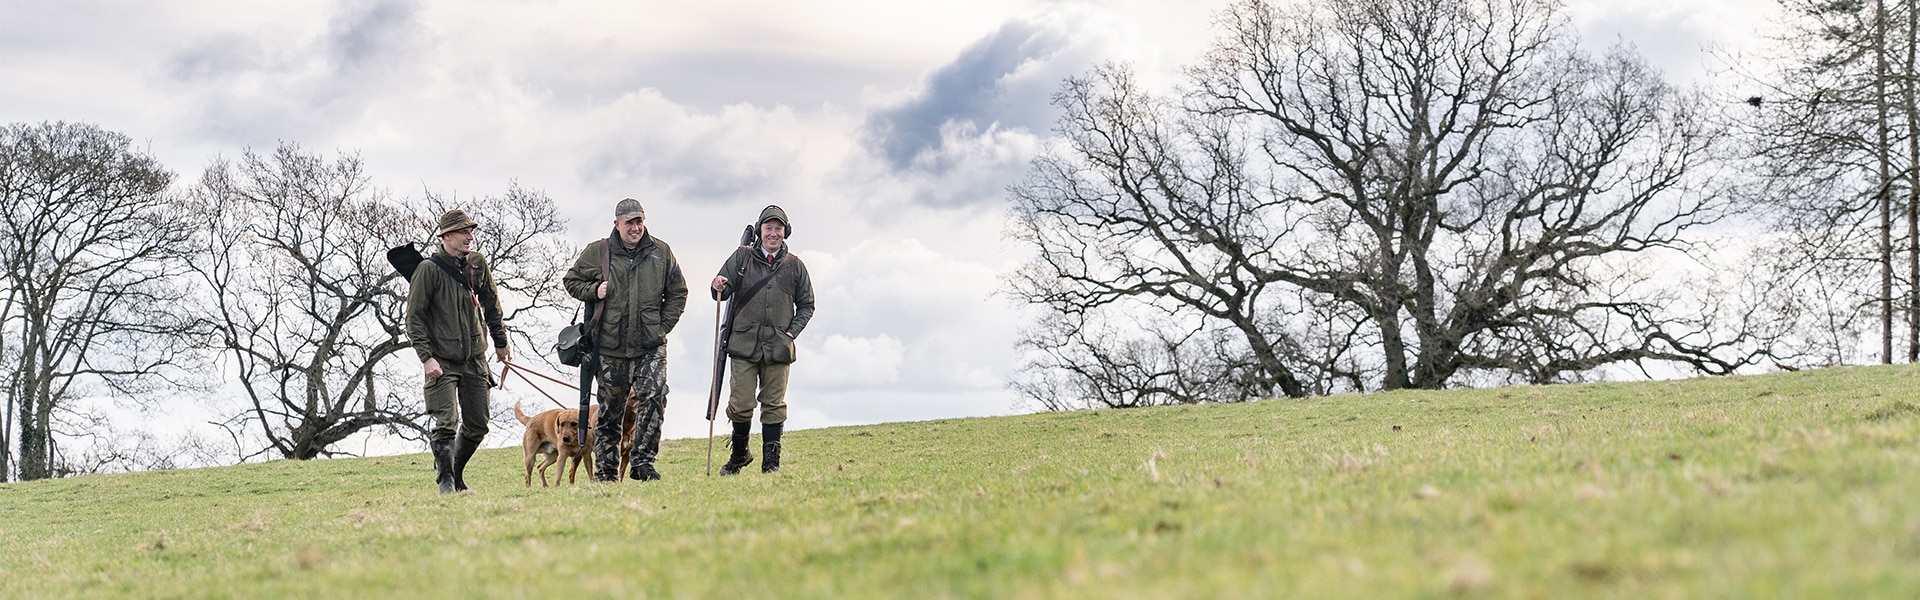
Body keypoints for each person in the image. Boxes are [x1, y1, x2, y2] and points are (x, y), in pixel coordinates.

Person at [564, 198, 688, 482]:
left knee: (655, 397)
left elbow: (678, 292)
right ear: (616, 224)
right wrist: (595, 290)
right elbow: (571, 281)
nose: (636, 227)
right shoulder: (598, 252)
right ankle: (606, 471)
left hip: (650, 346)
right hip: (610, 347)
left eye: (639, 221)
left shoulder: (661, 252)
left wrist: (660, 328)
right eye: (630, 222)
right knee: (610, 411)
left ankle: (643, 463)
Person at [406, 209, 512, 494]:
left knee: (478, 425)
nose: (470, 236)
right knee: (446, 422)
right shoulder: (428, 270)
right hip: (441, 360)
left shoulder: (478, 264)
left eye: (471, 231)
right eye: (463, 231)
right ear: (447, 236)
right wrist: (426, 358)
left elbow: (492, 305)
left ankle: (455, 471)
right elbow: (413, 318)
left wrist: (501, 343)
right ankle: (446, 481)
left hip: (476, 359)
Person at [711, 205, 815, 474]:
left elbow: (807, 305)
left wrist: (791, 332)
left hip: (778, 347)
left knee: (774, 405)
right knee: (741, 404)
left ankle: (771, 463)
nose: (773, 233)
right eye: (768, 228)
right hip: (743, 345)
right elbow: (722, 289)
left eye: (778, 228)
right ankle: (739, 454)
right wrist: (718, 284)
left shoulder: (795, 266)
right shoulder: (741, 258)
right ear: (760, 231)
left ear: (785, 232)